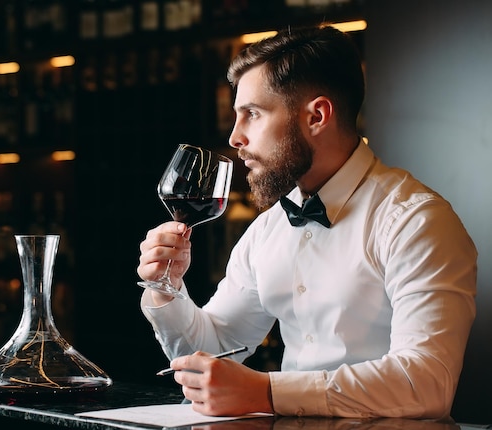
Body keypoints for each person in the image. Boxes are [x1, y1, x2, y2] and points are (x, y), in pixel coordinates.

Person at [136, 25, 477, 420]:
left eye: (253, 114)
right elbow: (213, 350)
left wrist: (266, 392)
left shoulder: (417, 222)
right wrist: (166, 287)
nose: (235, 137)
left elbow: (426, 383)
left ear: (317, 115)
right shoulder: (267, 229)